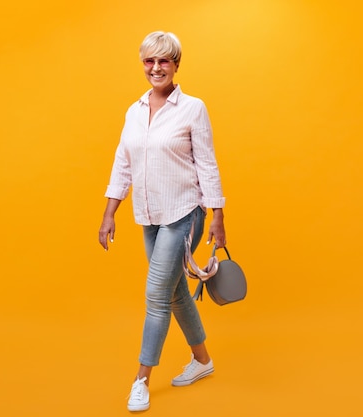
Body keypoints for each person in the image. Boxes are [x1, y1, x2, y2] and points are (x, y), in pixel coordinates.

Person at [98, 31, 226, 412]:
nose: (156, 68)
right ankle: (203, 361)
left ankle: (140, 379)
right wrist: (109, 212)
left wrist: (218, 216)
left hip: (184, 213)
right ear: (143, 64)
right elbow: (124, 163)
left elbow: (207, 164)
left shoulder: (192, 108)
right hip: (149, 216)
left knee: (156, 296)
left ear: (176, 65)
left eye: (164, 61)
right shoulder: (134, 110)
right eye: (149, 61)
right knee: (174, 293)